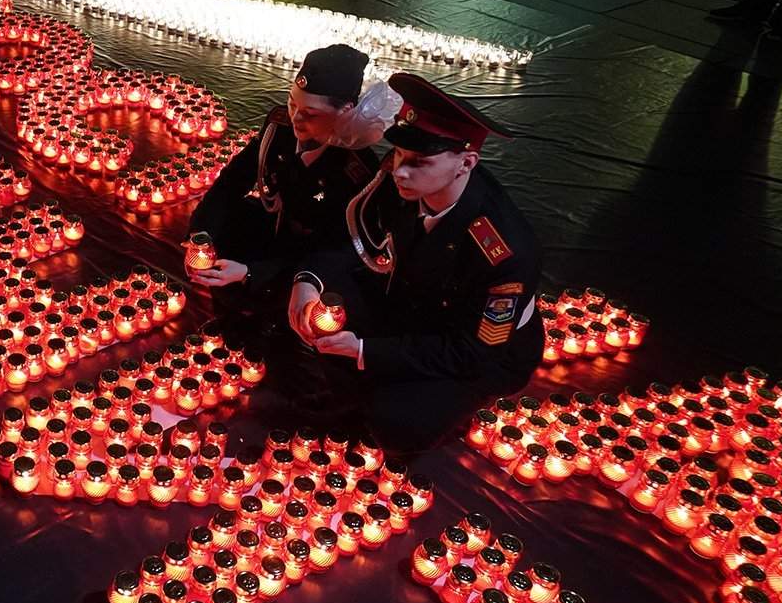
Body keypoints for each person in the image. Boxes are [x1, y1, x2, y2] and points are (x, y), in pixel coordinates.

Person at [285, 73, 543, 454]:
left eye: (419, 161)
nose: (400, 170)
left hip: (475, 348)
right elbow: (353, 235)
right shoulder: (402, 179)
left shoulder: (502, 248)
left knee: (396, 420)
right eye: (400, 156)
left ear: (466, 162)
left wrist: (365, 351)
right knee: (322, 316)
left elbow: (475, 351)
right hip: (414, 302)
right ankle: (359, 386)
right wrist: (308, 282)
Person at [189, 45, 388, 309]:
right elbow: (231, 183)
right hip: (275, 231)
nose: (296, 118)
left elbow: (334, 248)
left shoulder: (356, 169)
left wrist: (251, 272)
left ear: (346, 111)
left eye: (311, 113)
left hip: (311, 259)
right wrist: (202, 235)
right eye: (292, 102)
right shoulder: (279, 129)